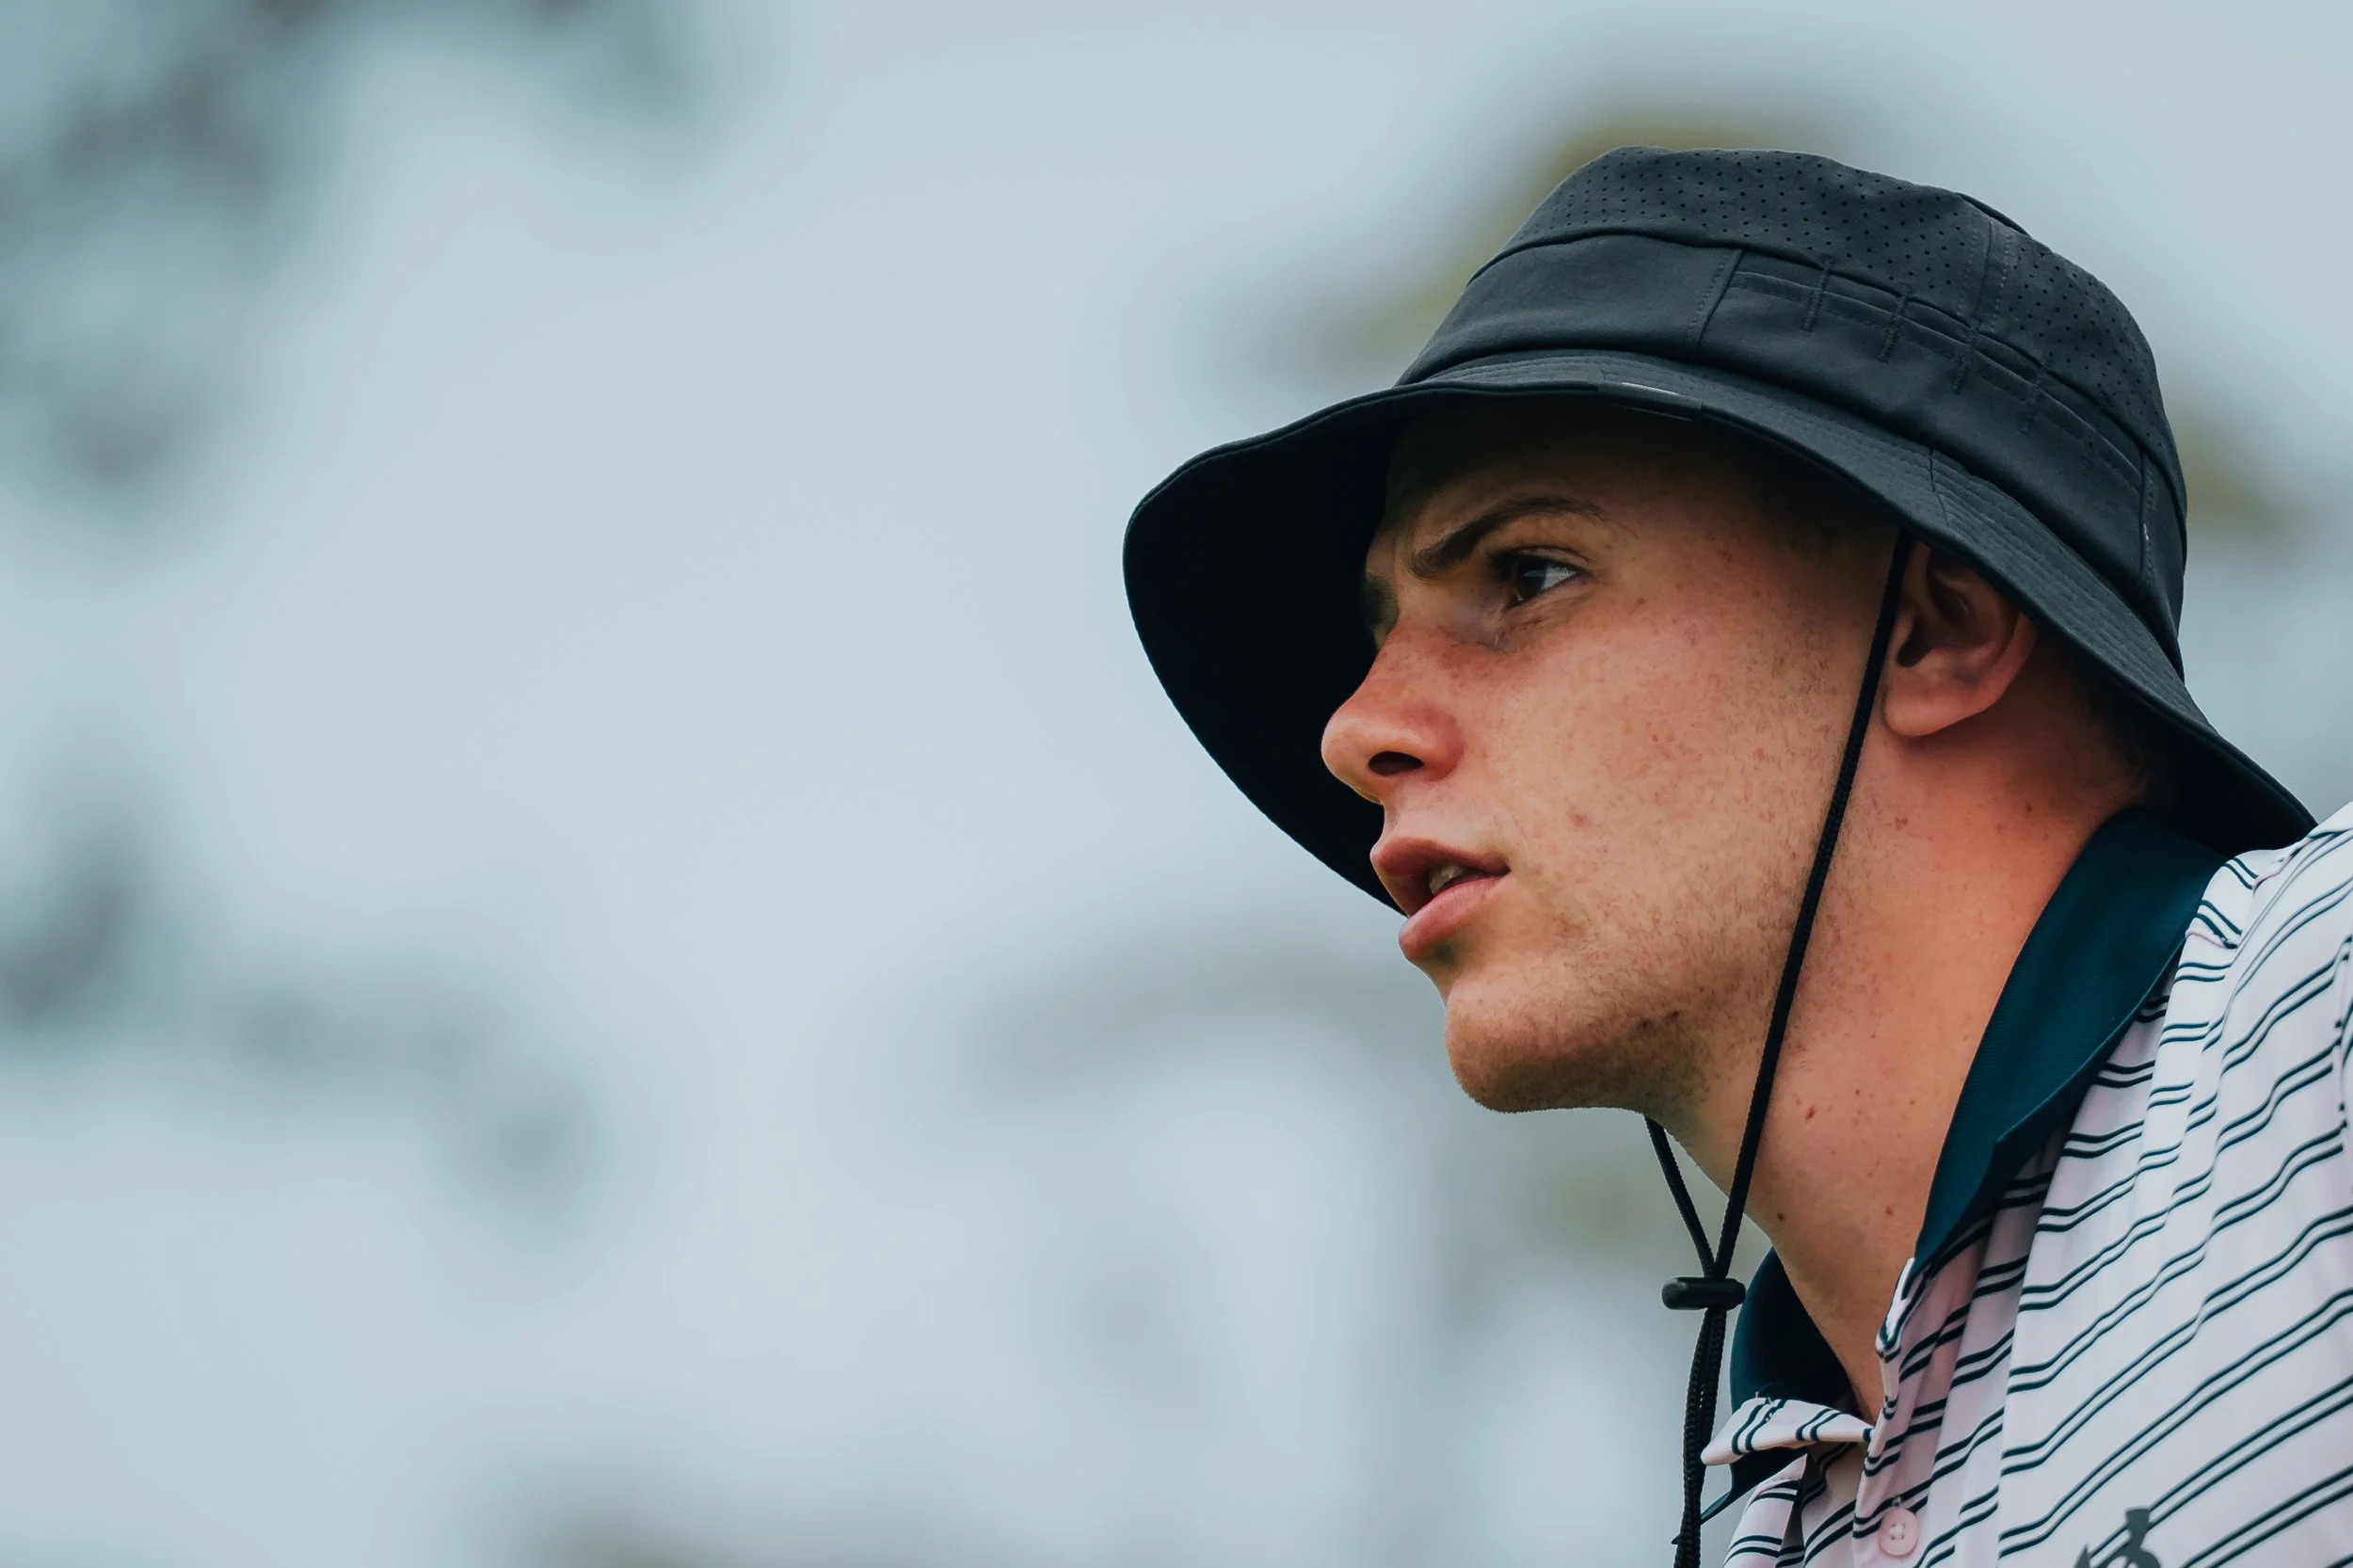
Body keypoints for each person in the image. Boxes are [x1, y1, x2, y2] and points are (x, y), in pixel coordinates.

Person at [1123, 148, 2353, 1566]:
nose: (1356, 729)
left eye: (1524, 573)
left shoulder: (2312, 1023)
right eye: (1383, 627)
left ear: (1934, 628)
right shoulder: (1767, 1507)